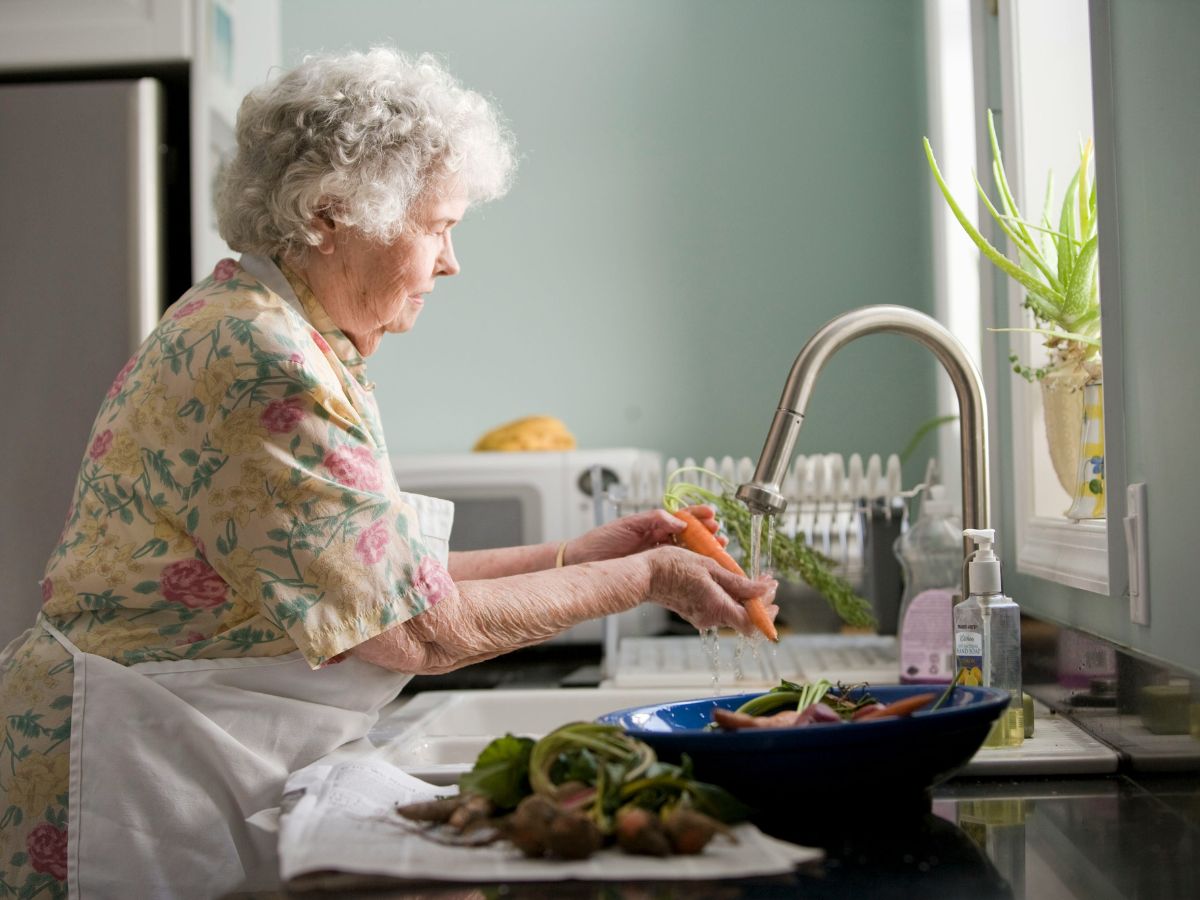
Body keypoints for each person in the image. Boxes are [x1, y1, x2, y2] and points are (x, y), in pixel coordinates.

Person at [0, 48, 776, 896]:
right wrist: (645, 576)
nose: (450, 263)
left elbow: (380, 583)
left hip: (174, 751)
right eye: (439, 226)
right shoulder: (263, 360)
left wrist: (587, 555)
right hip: (129, 775)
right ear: (332, 213)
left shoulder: (278, 331)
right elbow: (417, 631)